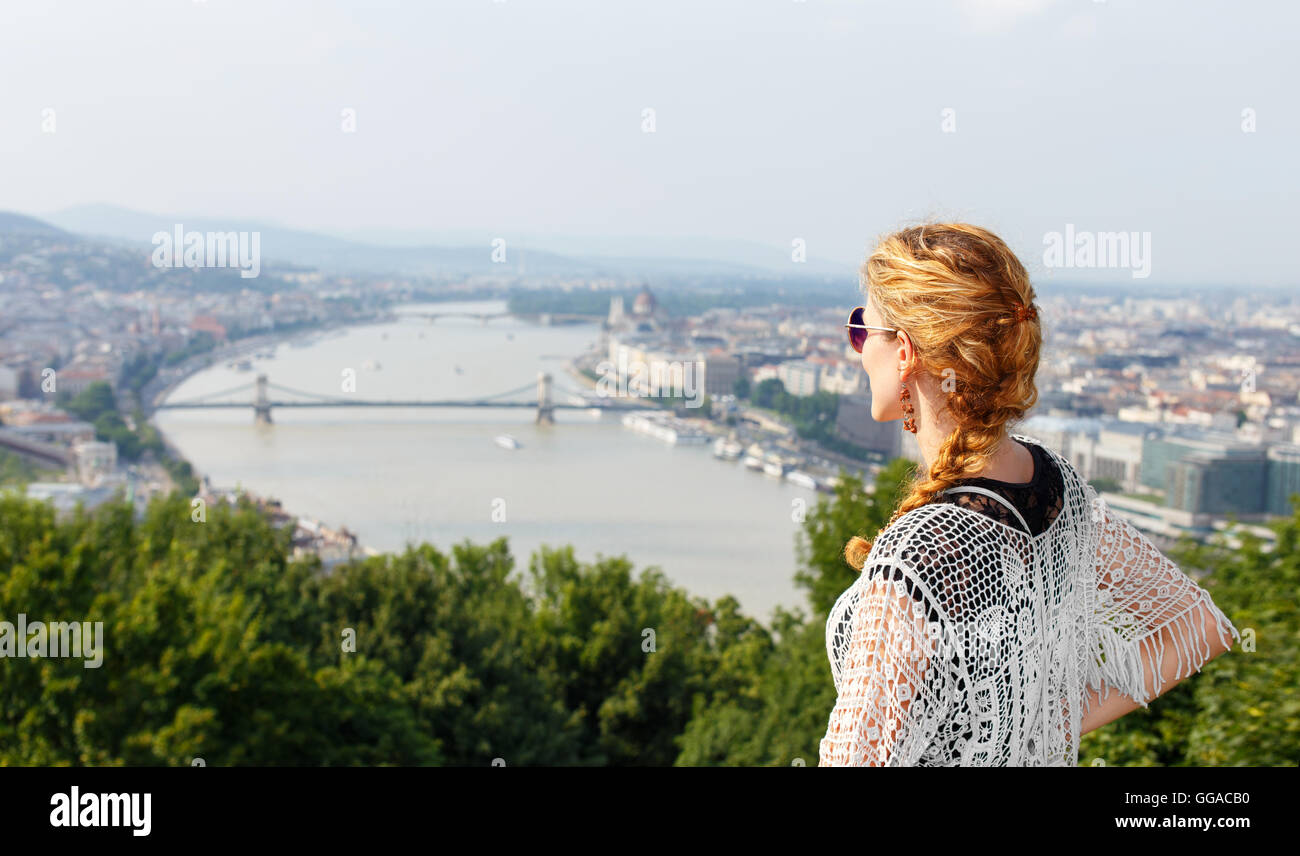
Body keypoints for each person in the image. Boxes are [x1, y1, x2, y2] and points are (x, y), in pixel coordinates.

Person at [818, 223, 1240, 766]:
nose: (857, 352)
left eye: (861, 331)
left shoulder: (916, 555)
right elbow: (1195, 629)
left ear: (903, 352)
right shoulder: (1054, 484)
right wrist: (1044, 729)